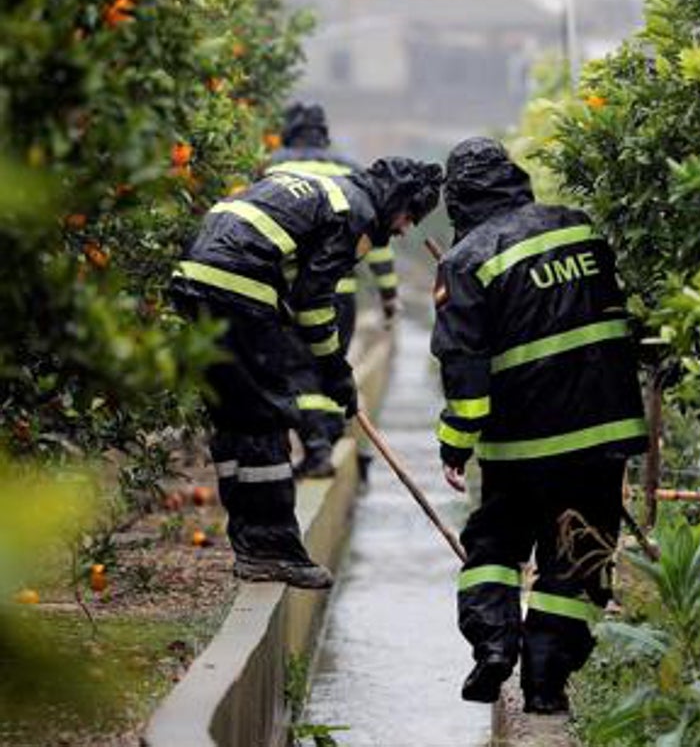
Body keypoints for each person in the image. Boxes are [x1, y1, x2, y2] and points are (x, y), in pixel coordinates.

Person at [431, 137, 646, 713]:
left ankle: (493, 646)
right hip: (601, 434)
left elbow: (464, 367)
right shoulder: (578, 227)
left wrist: (455, 445)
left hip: (521, 445)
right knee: (577, 559)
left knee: (494, 546)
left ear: (457, 199)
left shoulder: (465, 260)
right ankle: (546, 688)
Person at [172, 156, 443, 589]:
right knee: (266, 415)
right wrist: (335, 370)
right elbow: (314, 301)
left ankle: (250, 544)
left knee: (235, 417)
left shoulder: (329, 192)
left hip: (193, 281)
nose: (406, 229)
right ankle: (271, 551)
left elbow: (295, 288)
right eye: (410, 216)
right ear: (397, 200)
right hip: (237, 288)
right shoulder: (354, 212)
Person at [264, 102, 402, 477]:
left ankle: (317, 448)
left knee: (299, 370)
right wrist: (389, 297)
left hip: (293, 293)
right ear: (324, 134)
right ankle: (331, 438)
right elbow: (378, 242)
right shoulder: (351, 171)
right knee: (332, 364)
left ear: (288, 133)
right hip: (342, 294)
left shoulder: (274, 168)